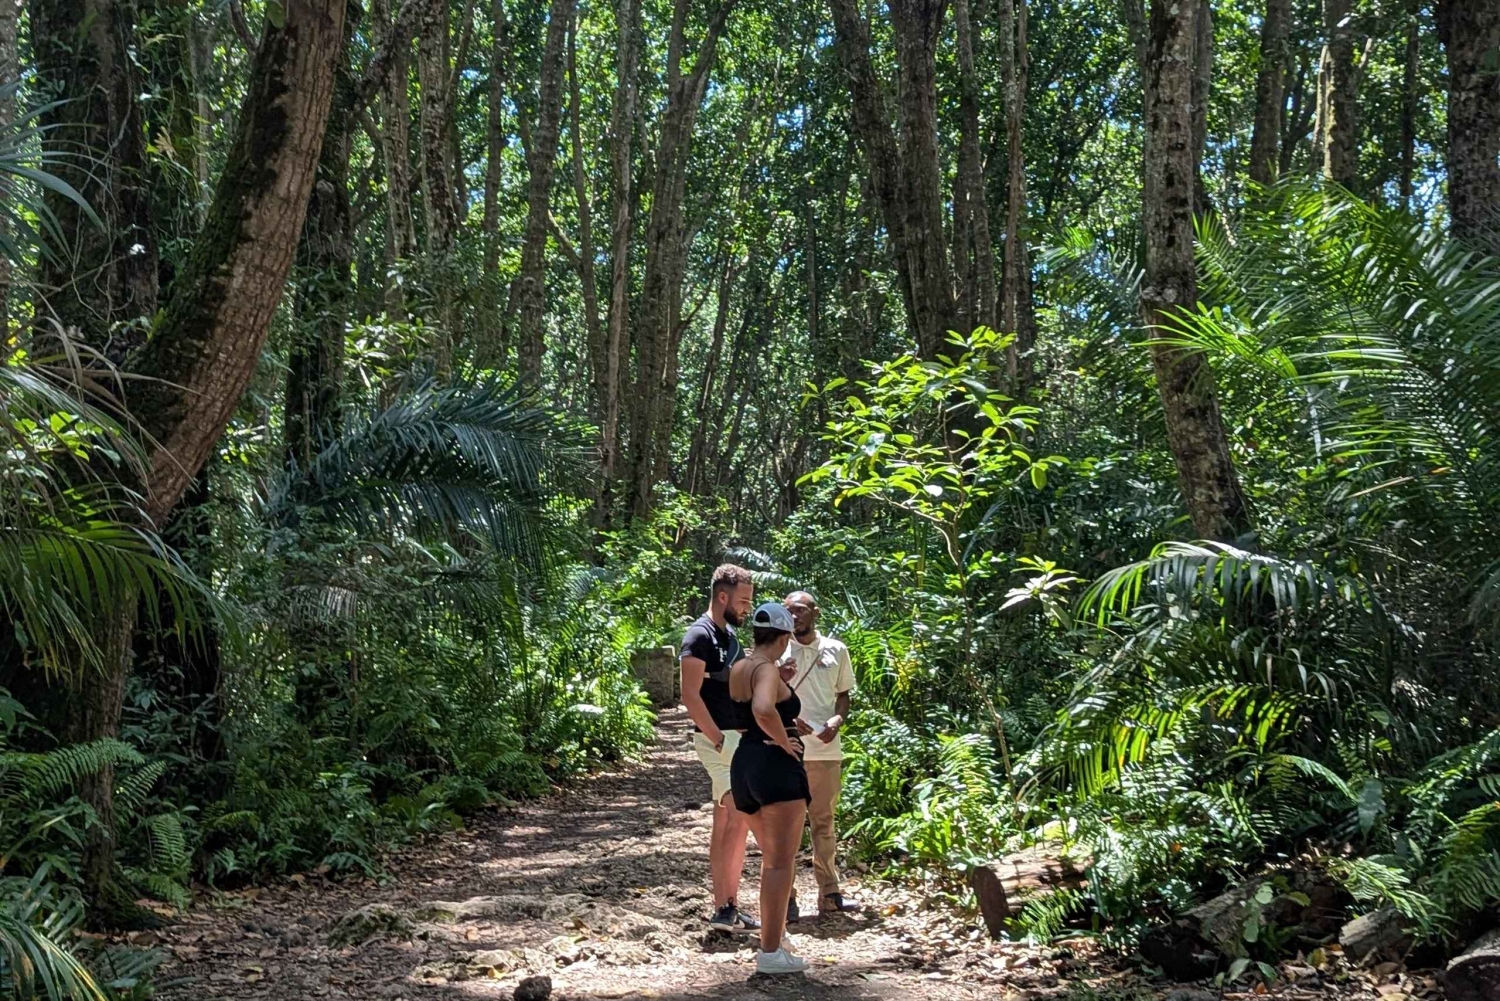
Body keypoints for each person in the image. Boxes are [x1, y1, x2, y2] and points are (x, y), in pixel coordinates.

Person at [729, 602, 811, 975]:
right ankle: (771, 953)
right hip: (774, 770)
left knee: (771, 860)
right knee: (780, 863)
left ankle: (774, 938)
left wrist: (787, 718)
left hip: (744, 766)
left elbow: (747, 715)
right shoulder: (765, 669)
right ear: (782, 638)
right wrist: (783, 741)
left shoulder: (741, 667)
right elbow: (763, 709)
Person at [680, 563, 758, 933]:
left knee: (730, 821)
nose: (747, 608)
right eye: (743, 601)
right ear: (722, 596)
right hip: (717, 741)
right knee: (738, 813)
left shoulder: (729, 637)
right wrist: (718, 739)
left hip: (735, 738)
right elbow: (689, 695)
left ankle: (727, 906)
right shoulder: (699, 635)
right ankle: (724, 907)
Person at [783, 590, 860, 920]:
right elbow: (763, 696)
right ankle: (785, 897)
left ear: (816, 613)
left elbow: (843, 695)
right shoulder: (777, 650)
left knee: (824, 822)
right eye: (788, 611)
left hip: (825, 749)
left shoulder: (836, 649)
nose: (794, 616)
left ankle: (829, 892)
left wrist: (837, 720)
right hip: (786, 749)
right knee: (786, 826)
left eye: (800, 610)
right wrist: (787, 720)